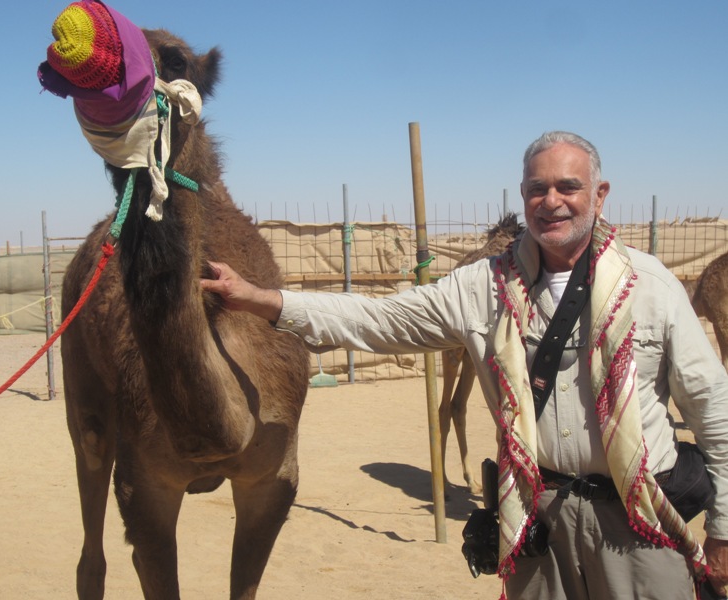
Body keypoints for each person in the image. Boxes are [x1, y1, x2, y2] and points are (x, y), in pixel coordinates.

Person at [200, 131, 728, 599]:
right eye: (537, 189)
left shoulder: (650, 286)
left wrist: (725, 528)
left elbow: (714, 411)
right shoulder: (482, 287)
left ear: (599, 194)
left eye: (568, 187)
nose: (552, 201)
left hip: (639, 523)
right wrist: (260, 299)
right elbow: (376, 319)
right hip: (535, 515)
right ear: (523, 197)